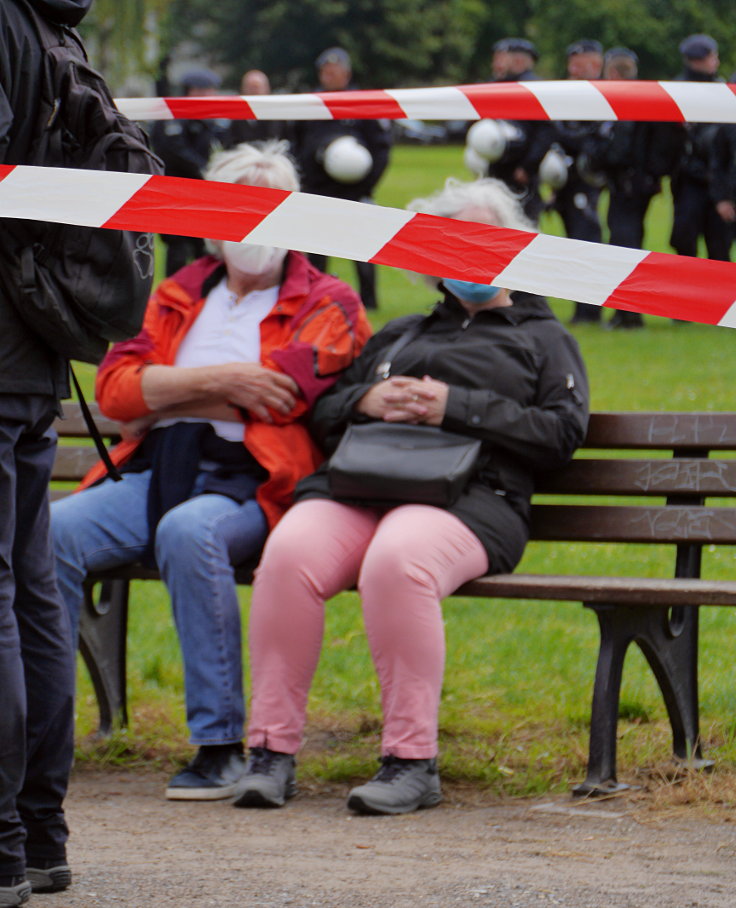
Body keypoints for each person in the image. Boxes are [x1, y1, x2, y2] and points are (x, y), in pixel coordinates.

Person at [233, 177, 589, 816]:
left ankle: (410, 761)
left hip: (473, 500)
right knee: (286, 554)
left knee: (397, 563)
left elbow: (561, 435)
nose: (473, 258)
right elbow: (326, 413)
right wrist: (366, 400)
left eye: (488, 241)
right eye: (455, 245)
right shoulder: (400, 334)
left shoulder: (543, 338)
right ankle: (270, 753)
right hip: (363, 485)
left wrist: (458, 407)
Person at [51, 142, 372, 802]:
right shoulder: (174, 294)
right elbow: (115, 393)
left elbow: (285, 393)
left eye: (267, 212)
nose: (251, 231)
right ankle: (36, 730)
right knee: (49, 533)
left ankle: (221, 742)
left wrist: (163, 393)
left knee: (187, 532)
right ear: (209, 221)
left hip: (253, 479)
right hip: (156, 469)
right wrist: (224, 382)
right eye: (235, 212)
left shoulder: (329, 301)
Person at [0, 1, 112, 903]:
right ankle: (40, 833)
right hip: (38, 345)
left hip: (9, 341)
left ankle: (6, 841)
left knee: (9, 593)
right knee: (31, 590)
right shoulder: (54, 26)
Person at [583, 48, 684, 328]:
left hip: (626, 184)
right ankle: (628, 312)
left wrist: (598, 156)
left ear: (612, 73)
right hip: (646, 184)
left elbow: (618, 150)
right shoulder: (651, 98)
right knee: (633, 244)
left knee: (623, 248)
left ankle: (627, 315)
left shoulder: (624, 101)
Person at [293, 47, 393, 309]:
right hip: (317, 189)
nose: (330, 75)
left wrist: (366, 185)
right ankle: (314, 297)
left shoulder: (362, 102)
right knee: (316, 250)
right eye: (326, 71)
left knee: (362, 249)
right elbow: (295, 143)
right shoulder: (309, 104)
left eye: (335, 71)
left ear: (347, 73)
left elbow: (381, 149)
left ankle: (369, 302)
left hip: (353, 190)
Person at [151, 68, 227, 275]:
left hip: (205, 194)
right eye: (205, 91)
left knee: (204, 249)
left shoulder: (212, 121)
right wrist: (205, 170)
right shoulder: (171, 116)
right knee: (178, 249)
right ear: (191, 91)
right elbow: (174, 151)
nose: (211, 96)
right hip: (176, 192)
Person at [551, 40, 605, 324]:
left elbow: (590, 137)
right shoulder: (565, 91)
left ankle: (589, 311)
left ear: (595, 65)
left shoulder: (602, 94)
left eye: (579, 63)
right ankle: (581, 309)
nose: (572, 68)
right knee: (572, 245)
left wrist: (561, 138)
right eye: (571, 62)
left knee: (586, 242)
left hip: (587, 181)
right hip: (563, 181)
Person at [669, 35, 732, 264]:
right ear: (699, 60)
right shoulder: (677, 91)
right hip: (688, 179)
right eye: (712, 56)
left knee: (720, 244)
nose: (716, 61)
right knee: (685, 242)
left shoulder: (723, 89)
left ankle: (721, 300)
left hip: (719, 179)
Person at [484, 38, 554, 222]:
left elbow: (546, 132)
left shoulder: (534, 87)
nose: (495, 63)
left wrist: (527, 166)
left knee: (523, 224)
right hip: (498, 169)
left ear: (519, 61)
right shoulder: (495, 85)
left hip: (521, 172)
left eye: (500, 58)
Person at [223, 69, 292, 149]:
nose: (254, 91)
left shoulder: (277, 115)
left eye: (257, 87)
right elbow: (229, 142)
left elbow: (285, 141)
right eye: (250, 87)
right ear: (242, 89)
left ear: (267, 88)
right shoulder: (235, 115)